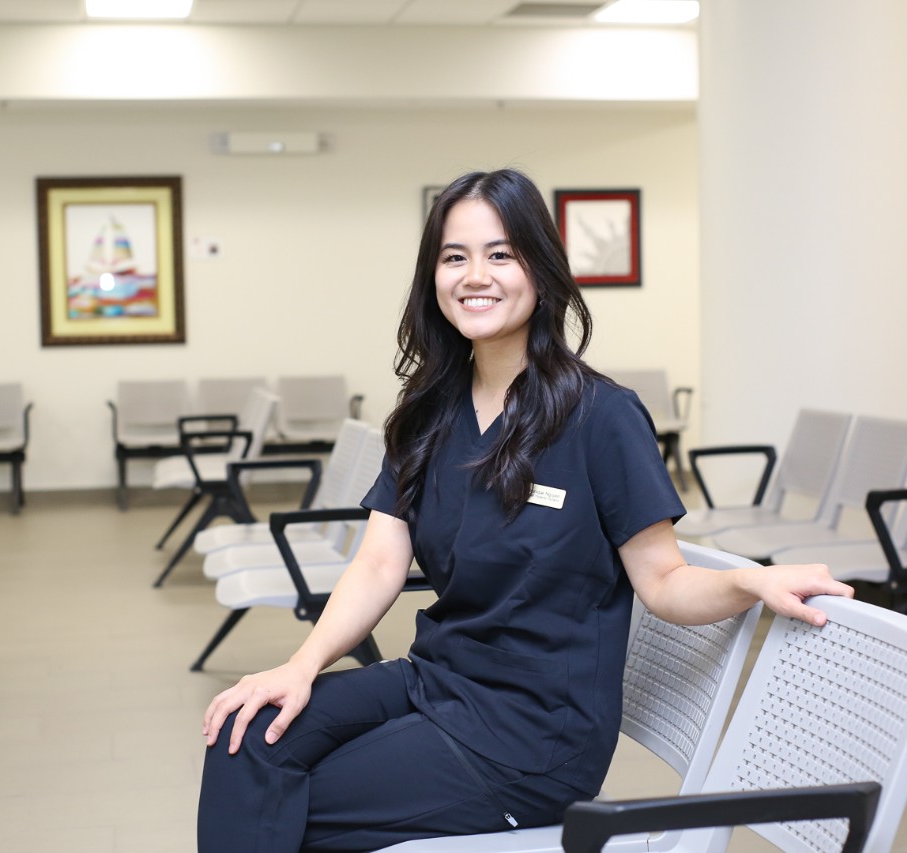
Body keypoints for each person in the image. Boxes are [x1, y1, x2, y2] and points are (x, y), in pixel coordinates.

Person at [196, 168, 852, 852]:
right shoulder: (426, 415)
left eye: (500, 253)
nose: (475, 274)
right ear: (433, 279)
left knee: (287, 809)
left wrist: (750, 581)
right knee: (243, 738)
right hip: (435, 680)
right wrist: (300, 666)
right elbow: (379, 562)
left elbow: (662, 580)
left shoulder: (602, 416)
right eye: (455, 256)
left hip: (531, 735)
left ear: (540, 269)